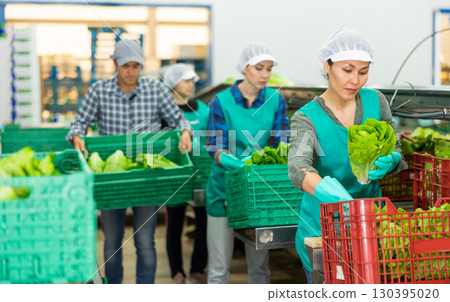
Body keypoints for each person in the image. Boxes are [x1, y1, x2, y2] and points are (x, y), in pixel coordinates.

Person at [66, 39, 192, 284]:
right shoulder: (99, 91)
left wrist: (185, 132)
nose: (131, 71)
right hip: (112, 178)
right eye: (126, 66)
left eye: (136, 66)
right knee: (111, 241)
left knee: (145, 242)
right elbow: (79, 124)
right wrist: (78, 136)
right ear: (115, 64)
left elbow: (179, 120)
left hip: (146, 175)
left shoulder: (155, 90)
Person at [287, 28, 408, 284]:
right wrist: (330, 193)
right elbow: (298, 167)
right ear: (327, 65)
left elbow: (395, 146)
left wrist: (393, 160)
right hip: (324, 229)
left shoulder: (376, 101)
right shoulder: (306, 117)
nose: (355, 80)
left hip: (371, 223)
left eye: (363, 72)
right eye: (347, 70)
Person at [206, 42, 290, 284]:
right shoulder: (220, 102)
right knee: (219, 270)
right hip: (223, 189)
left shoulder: (276, 100)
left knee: (260, 269)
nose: (265, 75)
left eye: (269, 69)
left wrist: (258, 169)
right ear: (244, 68)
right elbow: (216, 147)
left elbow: (280, 143)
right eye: (259, 68)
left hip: (257, 192)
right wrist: (241, 166)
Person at [162, 63, 209, 284]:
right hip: (176, 177)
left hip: (201, 175)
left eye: (193, 81)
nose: (192, 85)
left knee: (204, 222)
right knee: (175, 224)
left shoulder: (202, 108)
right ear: (173, 84)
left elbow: (213, 137)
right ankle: (176, 271)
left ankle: (198, 268)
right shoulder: (162, 112)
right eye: (186, 81)